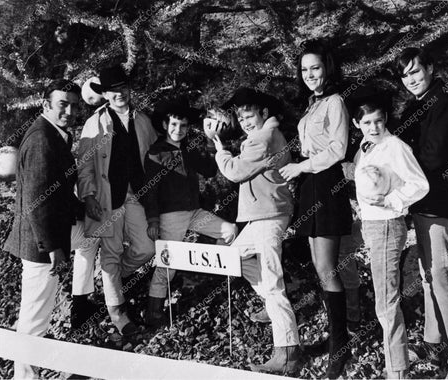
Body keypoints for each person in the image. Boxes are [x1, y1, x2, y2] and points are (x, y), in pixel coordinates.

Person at [395, 47, 448, 379]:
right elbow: (395, 141)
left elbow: (435, 155)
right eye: (404, 75)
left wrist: (397, 167)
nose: (410, 79)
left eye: (415, 71)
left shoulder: (444, 103)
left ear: (430, 67)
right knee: (428, 275)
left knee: (439, 274)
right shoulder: (416, 106)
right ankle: (433, 340)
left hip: (442, 202)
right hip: (423, 203)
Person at [279, 39, 353, 378]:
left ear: (328, 68)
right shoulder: (312, 103)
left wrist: (300, 168)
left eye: (316, 68)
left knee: (326, 268)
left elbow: (338, 150)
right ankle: (335, 337)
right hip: (310, 185)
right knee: (318, 267)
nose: (310, 74)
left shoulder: (335, 101)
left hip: (325, 184)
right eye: (305, 69)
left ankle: (341, 346)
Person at [214, 87, 301, 375]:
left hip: (269, 215)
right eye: (241, 118)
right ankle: (275, 308)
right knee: (235, 258)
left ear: (265, 113)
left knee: (274, 282)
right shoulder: (261, 136)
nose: (245, 122)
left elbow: (234, 171)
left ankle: (287, 351)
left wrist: (219, 150)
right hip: (262, 214)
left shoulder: (262, 138)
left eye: (250, 115)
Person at [344, 92, 429, 379]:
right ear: (357, 124)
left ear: (386, 121)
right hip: (372, 227)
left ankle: (397, 371)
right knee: (385, 296)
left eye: (379, 121)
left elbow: (420, 184)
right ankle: (396, 364)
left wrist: (392, 201)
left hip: (388, 225)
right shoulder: (365, 147)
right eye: (367, 122)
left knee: (386, 300)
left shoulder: (395, 146)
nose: (374, 127)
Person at [4, 79, 82, 378]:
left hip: (52, 231)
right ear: (45, 104)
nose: (70, 110)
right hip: (40, 244)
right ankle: (24, 376)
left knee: (96, 234)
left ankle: (81, 300)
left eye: (75, 105)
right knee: (35, 317)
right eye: (63, 103)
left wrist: (84, 210)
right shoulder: (41, 140)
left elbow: (58, 191)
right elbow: (38, 202)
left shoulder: (55, 134)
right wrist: (53, 248)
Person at [77, 65, 157, 338]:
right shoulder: (95, 123)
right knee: (110, 253)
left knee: (146, 247)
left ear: (129, 89)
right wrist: (88, 196)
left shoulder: (143, 120)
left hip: (136, 195)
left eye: (123, 87)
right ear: (105, 94)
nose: (119, 94)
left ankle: (114, 280)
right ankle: (118, 313)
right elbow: (85, 165)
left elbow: (155, 159)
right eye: (112, 90)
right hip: (107, 197)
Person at [142, 99, 237, 327]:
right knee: (168, 263)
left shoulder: (188, 149)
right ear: (165, 125)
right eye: (174, 125)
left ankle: (211, 271)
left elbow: (210, 170)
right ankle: (154, 309)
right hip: (170, 216)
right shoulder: (156, 153)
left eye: (183, 126)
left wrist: (213, 143)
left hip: (194, 211)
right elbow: (150, 191)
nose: (178, 130)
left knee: (229, 230)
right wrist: (153, 219)